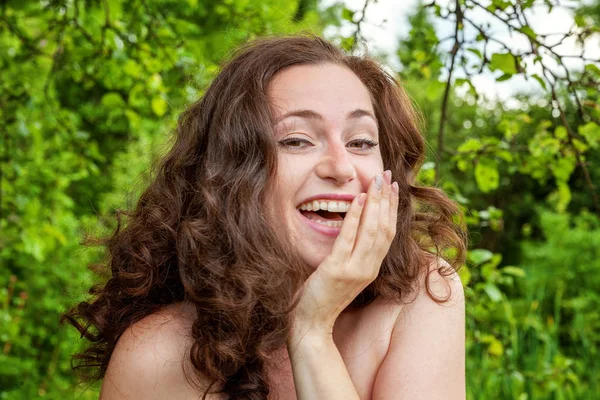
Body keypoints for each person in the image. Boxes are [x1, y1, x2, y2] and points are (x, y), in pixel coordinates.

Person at [64, 34, 467, 399]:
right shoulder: (155, 356)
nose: (341, 167)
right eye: (296, 140)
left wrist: (312, 334)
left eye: (361, 141)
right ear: (229, 174)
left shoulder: (421, 294)